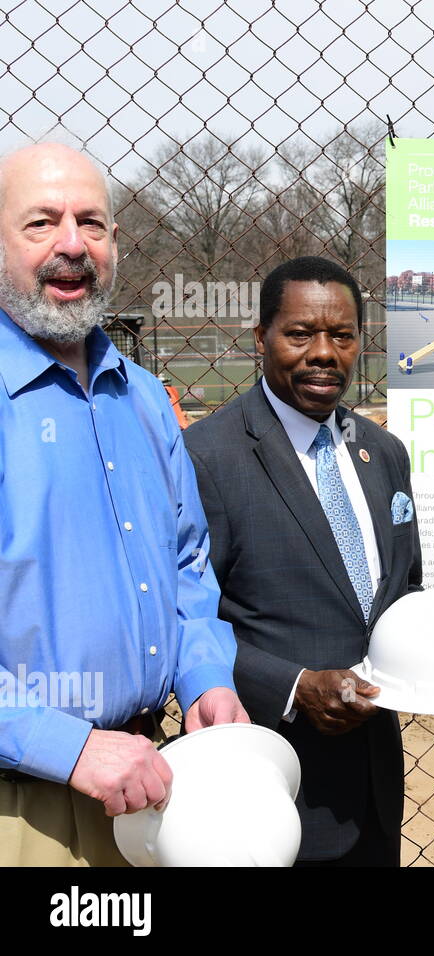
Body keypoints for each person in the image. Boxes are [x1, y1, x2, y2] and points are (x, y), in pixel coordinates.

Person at [0, 141, 246, 865]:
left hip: (154, 778)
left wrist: (204, 675)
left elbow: (186, 559)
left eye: (93, 224)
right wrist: (67, 746)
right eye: (41, 223)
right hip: (22, 809)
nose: (72, 245)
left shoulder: (140, 396)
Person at [184, 256, 423, 866]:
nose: (323, 352)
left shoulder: (384, 452)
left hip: (375, 785)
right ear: (260, 337)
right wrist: (293, 686)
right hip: (269, 781)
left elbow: (405, 586)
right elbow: (182, 618)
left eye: (341, 335)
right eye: (300, 334)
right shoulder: (207, 457)